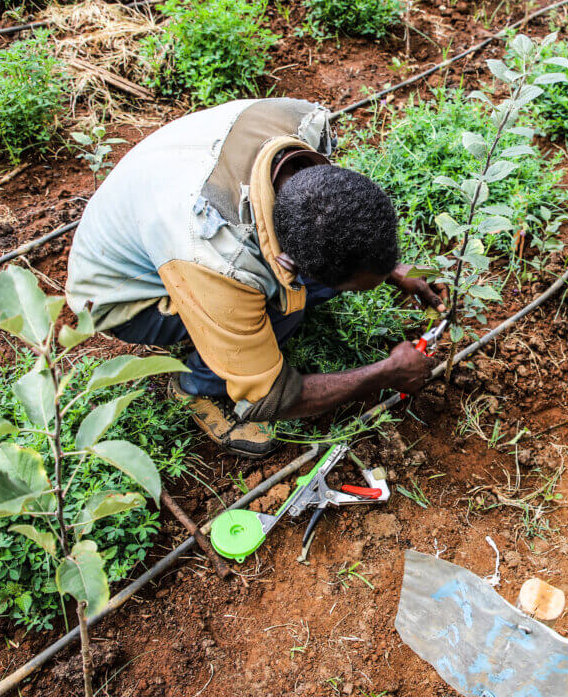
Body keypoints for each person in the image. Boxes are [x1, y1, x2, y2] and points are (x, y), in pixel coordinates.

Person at [66, 98, 444, 459]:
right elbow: (269, 398)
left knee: (290, 291)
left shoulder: (298, 122)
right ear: (296, 263)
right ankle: (196, 387)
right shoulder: (218, 259)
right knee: (286, 306)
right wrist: (384, 373)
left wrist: (387, 268)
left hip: (158, 206)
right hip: (122, 296)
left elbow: (333, 214)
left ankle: (221, 339)